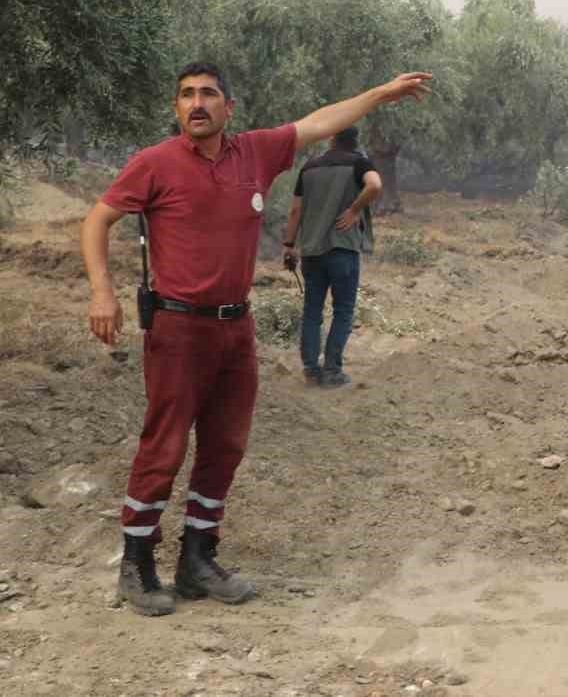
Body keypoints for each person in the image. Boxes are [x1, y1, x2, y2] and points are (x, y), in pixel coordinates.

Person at [80, 63, 431, 618]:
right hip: (177, 328)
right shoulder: (154, 163)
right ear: (176, 108)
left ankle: (198, 561)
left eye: (209, 95)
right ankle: (136, 564)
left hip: (236, 328)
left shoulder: (256, 153)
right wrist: (102, 292)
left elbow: (320, 122)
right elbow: (97, 220)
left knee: (225, 446)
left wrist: (381, 94)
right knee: (164, 445)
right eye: (187, 96)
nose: (198, 103)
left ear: (228, 107)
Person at [282, 125, 380, 388]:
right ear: (355, 142)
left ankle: (312, 371)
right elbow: (375, 185)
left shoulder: (309, 168)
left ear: (332, 139)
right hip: (343, 250)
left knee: (312, 311)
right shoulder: (360, 163)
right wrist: (354, 210)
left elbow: (295, 211)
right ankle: (333, 371)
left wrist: (290, 245)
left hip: (312, 251)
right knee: (343, 310)